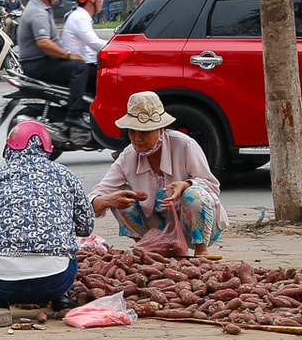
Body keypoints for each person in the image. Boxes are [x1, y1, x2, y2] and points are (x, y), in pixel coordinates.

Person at [0, 121, 96, 307]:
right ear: (47, 149)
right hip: (55, 281)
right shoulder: (66, 176)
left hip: (1, 283)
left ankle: (0, 299)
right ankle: (60, 298)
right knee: (68, 251)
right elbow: (86, 228)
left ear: (8, 149)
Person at [91, 91, 228, 257]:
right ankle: (148, 248)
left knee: (194, 194)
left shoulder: (184, 145)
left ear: (160, 129)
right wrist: (106, 200)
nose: (137, 138)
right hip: (156, 225)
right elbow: (97, 195)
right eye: (132, 132)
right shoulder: (128, 156)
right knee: (118, 195)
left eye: (144, 132)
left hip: (195, 226)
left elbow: (211, 185)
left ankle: (201, 252)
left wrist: (185, 185)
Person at [15, 0, 93, 125]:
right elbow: (44, 43)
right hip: (36, 64)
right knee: (79, 68)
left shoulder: (43, 7)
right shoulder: (38, 12)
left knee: (90, 69)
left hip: (43, 60)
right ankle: (74, 114)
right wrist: (68, 55)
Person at [58, 0, 110, 132]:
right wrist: (117, 47)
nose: (102, 0)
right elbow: (94, 43)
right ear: (90, 0)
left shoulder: (83, 17)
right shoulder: (80, 18)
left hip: (85, 63)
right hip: (80, 67)